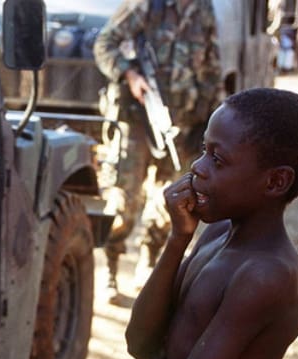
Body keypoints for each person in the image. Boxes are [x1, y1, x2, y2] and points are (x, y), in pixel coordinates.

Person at [126, 87, 298, 359]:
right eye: (204, 150)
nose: (198, 167)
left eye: (217, 159)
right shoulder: (217, 232)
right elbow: (137, 338)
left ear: (275, 182)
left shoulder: (266, 275)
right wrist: (179, 238)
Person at [94, 0, 222, 303]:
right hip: (137, 119)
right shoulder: (147, 5)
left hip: (182, 124)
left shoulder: (203, 10)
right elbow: (104, 43)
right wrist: (130, 75)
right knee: (123, 199)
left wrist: (209, 121)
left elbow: (212, 68)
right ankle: (110, 268)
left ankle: (149, 263)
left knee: (173, 199)